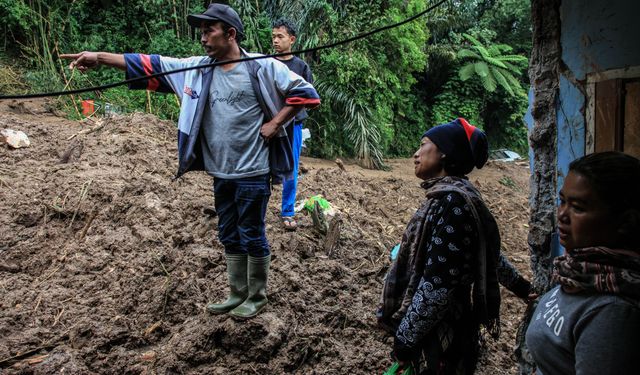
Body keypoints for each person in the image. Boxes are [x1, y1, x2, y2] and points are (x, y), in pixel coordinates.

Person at [60, 3, 320, 319]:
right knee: (228, 233)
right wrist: (99, 58)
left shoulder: (261, 67)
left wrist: (276, 122)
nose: (202, 38)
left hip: (253, 170)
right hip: (220, 171)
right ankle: (237, 293)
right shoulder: (196, 68)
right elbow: (148, 65)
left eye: (209, 30)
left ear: (230, 34)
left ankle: (257, 296)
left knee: (251, 233)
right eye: (201, 31)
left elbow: (307, 94)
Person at [377, 118, 534, 374]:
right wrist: (521, 287)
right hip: (448, 327)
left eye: (423, 144)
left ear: (444, 153)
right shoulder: (450, 198)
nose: (416, 154)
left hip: (443, 332)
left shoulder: (453, 204)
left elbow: (438, 286)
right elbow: (488, 254)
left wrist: (405, 340)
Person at [525, 151, 640, 375]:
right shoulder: (581, 272)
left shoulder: (614, 313)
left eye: (578, 207)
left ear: (625, 222)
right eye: (563, 201)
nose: (562, 215)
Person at [271, 19, 314, 231]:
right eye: (273, 37)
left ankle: (287, 211)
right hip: (270, 124)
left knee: (292, 168)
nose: (276, 41)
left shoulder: (300, 67)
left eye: (280, 36)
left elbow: (309, 96)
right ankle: (259, 208)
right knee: (263, 166)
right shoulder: (267, 63)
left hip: (293, 125)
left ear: (292, 39)